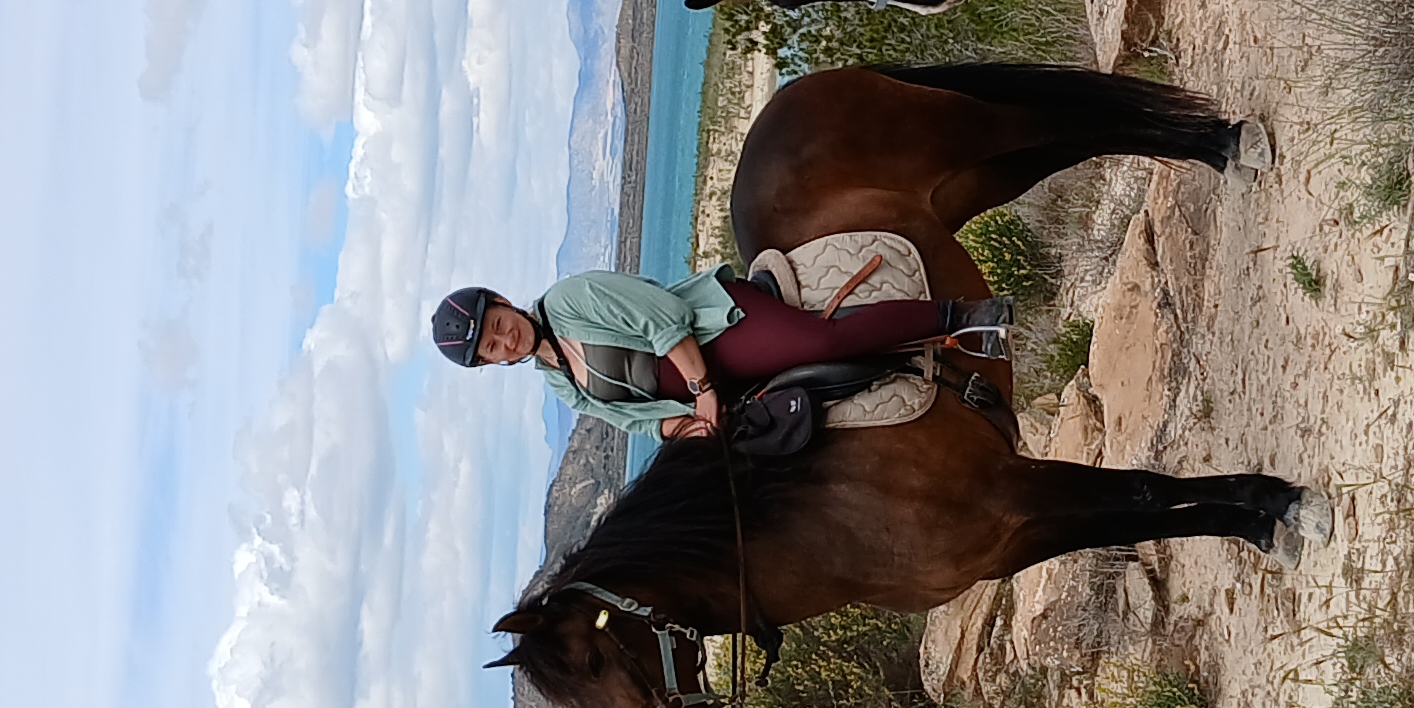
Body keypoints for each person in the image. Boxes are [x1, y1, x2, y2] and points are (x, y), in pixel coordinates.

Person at [432, 268, 1011, 439]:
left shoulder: (569, 299)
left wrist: (703, 389)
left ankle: (959, 320)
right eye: (491, 346)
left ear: (507, 301)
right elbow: (634, 419)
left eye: (499, 324)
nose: (505, 338)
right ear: (493, 363)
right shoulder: (559, 383)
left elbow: (662, 318)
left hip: (710, 336)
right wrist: (689, 430)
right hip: (700, 402)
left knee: (820, 342)